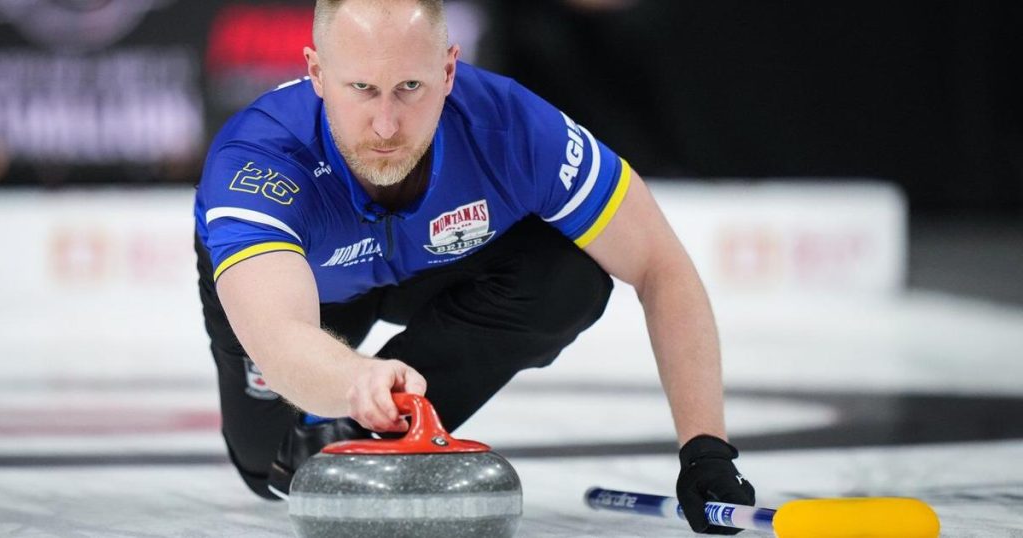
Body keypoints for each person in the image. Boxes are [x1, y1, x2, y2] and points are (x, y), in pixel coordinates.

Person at [193, 0, 755, 533]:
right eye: (362, 88)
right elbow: (280, 334)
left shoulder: (514, 129)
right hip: (313, 294)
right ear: (316, 74)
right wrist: (352, 380)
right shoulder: (259, 159)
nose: (386, 126)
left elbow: (661, 265)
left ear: (449, 69)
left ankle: (363, 426)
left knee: (569, 281)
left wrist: (705, 450)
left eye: (411, 87)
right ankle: (348, 415)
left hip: (433, 265)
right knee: (270, 468)